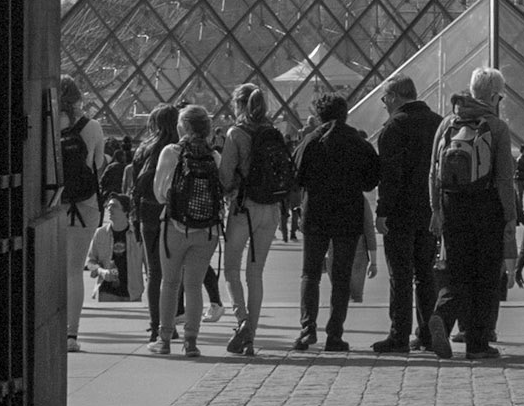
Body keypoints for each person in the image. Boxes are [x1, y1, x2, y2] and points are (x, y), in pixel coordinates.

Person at [428, 66, 518, 362]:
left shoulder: (447, 123)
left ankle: (441, 316)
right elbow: (504, 178)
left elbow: (433, 172)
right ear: (493, 96)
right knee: (485, 275)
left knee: (456, 269)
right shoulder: (496, 127)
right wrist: (510, 216)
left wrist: (436, 209)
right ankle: (477, 344)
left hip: (452, 204)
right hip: (486, 206)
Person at [293, 89, 380, 352]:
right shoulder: (358, 143)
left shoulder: (310, 141)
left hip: (316, 214)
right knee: (341, 277)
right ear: (345, 114)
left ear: (319, 115)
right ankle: (335, 335)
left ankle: (307, 329)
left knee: (310, 274)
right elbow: (371, 181)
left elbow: (297, 176)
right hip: (347, 215)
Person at [218, 82, 291, 356]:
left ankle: (243, 322)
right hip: (271, 208)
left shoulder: (236, 133)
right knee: (255, 273)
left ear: (239, 104)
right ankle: (251, 336)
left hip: (244, 207)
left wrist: (230, 187)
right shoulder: (273, 132)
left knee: (231, 269)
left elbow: (226, 176)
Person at [371, 74, 441, 355]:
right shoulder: (438, 123)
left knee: (400, 275)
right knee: (425, 273)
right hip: (430, 210)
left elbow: (390, 176)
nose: (384, 103)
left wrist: (382, 212)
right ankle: (426, 334)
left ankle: (399, 335)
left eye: (385, 98)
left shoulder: (394, 127)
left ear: (394, 96)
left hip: (401, 211)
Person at [149, 102, 225, 358]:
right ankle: (191, 341)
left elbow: (159, 193)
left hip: (175, 226)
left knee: (170, 284)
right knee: (194, 286)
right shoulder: (214, 156)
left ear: (185, 126)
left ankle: (164, 339)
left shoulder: (171, 152)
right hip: (207, 230)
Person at [58, 76, 106, 351]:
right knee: (74, 271)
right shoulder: (93, 126)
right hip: (85, 205)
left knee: (50, 271)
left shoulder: (47, 121)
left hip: (54, 202)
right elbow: (97, 164)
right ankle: (71, 335)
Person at [130, 104, 179, 341]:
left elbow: (134, 187)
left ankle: (156, 325)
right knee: (174, 273)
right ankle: (171, 323)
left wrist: (134, 217)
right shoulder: (178, 149)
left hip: (147, 212)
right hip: (173, 214)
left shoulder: (144, 148)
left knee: (154, 273)